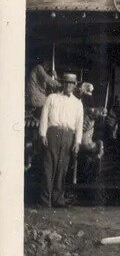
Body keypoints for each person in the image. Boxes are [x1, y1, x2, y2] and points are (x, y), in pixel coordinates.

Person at [39, 72, 83, 207]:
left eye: (71, 83)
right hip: (53, 133)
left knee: (62, 168)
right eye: (66, 82)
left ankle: (57, 199)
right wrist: (43, 134)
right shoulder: (51, 98)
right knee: (49, 167)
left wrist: (77, 141)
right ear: (62, 83)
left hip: (68, 135)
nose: (68, 85)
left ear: (75, 85)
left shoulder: (77, 103)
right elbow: (44, 117)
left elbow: (79, 123)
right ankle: (45, 200)